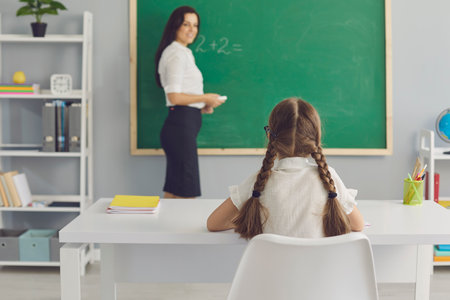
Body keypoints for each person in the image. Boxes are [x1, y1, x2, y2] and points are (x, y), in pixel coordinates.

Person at [207, 97, 364, 239]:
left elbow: (213, 223)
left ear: (270, 137)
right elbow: (358, 225)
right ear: (316, 139)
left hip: (269, 271)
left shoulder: (258, 182)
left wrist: (250, 221)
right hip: (319, 270)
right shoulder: (329, 178)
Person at [155, 6, 225, 199]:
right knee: (187, 194)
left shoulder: (181, 52)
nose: (192, 29)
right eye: (186, 24)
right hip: (180, 130)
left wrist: (201, 107)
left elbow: (179, 99)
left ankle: (165, 229)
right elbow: (174, 97)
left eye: (195, 25)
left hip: (181, 125)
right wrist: (205, 97)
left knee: (174, 191)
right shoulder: (177, 54)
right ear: (175, 26)